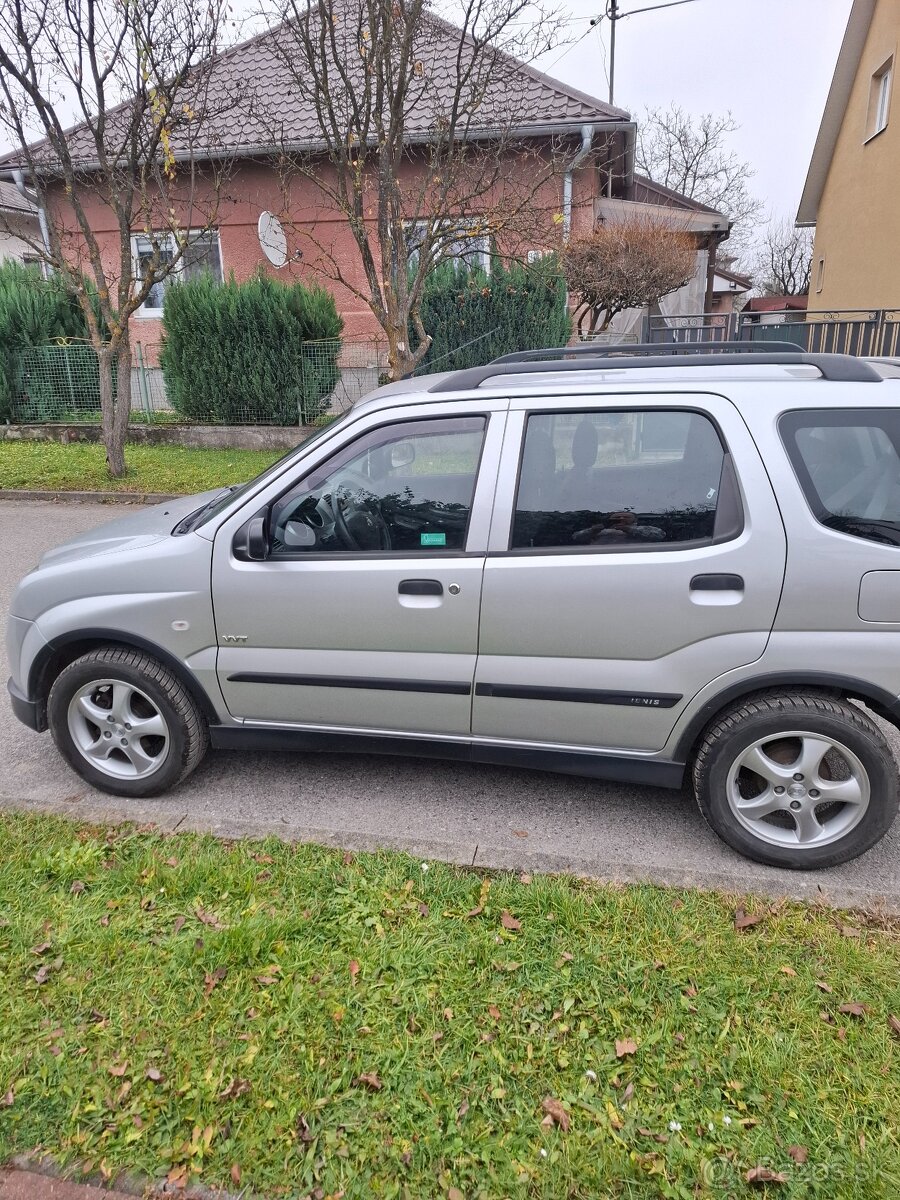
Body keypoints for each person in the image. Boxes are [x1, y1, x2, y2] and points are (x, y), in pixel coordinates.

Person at [572, 509, 665, 545]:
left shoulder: (645, 529)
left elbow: (660, 535)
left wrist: (628, 529)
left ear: (635, 521)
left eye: (626, 517)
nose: (621, 518)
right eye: (617, 518)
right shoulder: (600, 531)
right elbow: (576, 538)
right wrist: (592, 530)